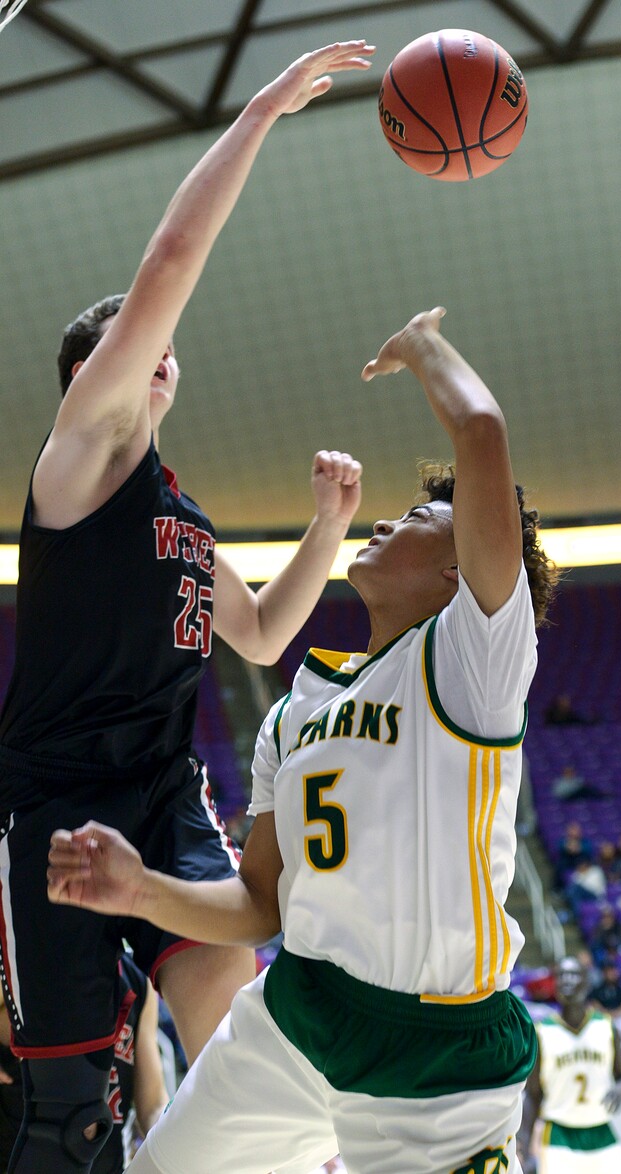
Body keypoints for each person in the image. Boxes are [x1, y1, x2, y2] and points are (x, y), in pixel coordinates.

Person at [47, 306, 559, 1174]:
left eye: (420, 519)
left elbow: (480, 432)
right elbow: (258, 907)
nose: (390, 521)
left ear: (456, 568)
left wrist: (422, 346)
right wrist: (140, 891)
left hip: (431, 1054)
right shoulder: (296, 712)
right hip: (298, 1014)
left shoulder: (474, 657)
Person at [0, 39, 372, 1172]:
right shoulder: (73, 465)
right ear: (102, 374)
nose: (156, 353)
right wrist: (259, 112)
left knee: (234, 1043)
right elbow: (169, 258)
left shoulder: (185, 516)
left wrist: (326, 526)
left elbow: (259, 632)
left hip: (164, 797)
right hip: (54, 798)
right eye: (133, 345)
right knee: (62, 1106)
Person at [0, 953, 169, 1174]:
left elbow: (153, 1104)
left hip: (109, 1163)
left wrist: (171, 1139)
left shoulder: (136, 979)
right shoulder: (24, 963)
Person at [517, 956, 621, 1174]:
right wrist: (524, 1146)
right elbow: (533, 1095)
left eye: (574, 974)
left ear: (587, 982)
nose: (567, 980)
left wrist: (620, 1090)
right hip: (559, 1133)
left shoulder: (606, 1026)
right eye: (561, 975)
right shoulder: (541, 1032)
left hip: (601, 1131)